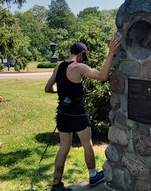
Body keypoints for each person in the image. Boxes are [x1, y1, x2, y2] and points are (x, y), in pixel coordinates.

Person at [45, 32, 122, 191]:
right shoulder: (79, 67)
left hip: (63, 114)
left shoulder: (59, 66)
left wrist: (62, 93)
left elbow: (47, 88)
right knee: (87, 144)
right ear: (81, 54)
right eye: (83, 56)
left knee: (63, 147)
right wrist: (111, 53)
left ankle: (56, 184)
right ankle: (93, 176)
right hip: (78, 114)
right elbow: (102, 76)